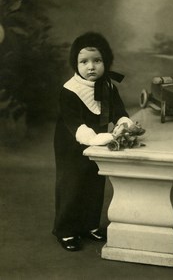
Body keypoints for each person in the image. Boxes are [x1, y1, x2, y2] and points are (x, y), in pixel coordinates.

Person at [52, 31, 134, 251]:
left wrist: (123, 124)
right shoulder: (70, 91)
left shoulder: (108, 86)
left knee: (95, 182)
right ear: (75, 64)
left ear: (105, 61)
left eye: (97, 61)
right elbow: (76, 125)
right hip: (72, 143)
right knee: (73, 183)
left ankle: (90, 224)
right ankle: (66, 230)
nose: (91, 67)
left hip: (98, 142)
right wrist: (104, 137)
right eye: (84, 61)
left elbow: (119, 111)